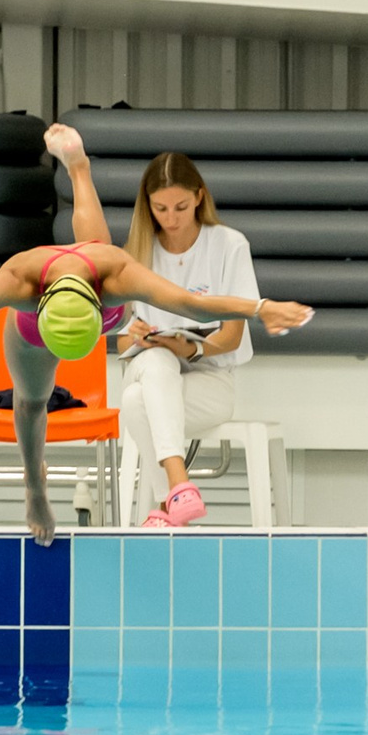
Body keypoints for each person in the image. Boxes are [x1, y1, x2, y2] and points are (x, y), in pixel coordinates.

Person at [0, 125, 313, 544]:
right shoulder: (19, 280)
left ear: (101, 305)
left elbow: (194, 304)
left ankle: (78, 167)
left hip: (123, 318)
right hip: (33, 334)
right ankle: (35, 489)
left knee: (96, 243)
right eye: (161, 207)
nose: (170, 216)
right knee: (31, 403)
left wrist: (261, 306)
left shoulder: (114, 273)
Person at [115, 151, 258, 528]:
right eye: (160, 208)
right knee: (154, 362)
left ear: (200, 196)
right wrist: (135, 336)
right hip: (151, 370)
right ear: (147, 206)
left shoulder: (229, 245)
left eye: (180, 206)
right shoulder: (137, 252)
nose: (171, 218)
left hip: (210, 381)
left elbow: (231, 337)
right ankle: (180, 488)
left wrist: (191, 348)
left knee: (134, 402)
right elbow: (119, 345)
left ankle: (167, 505)